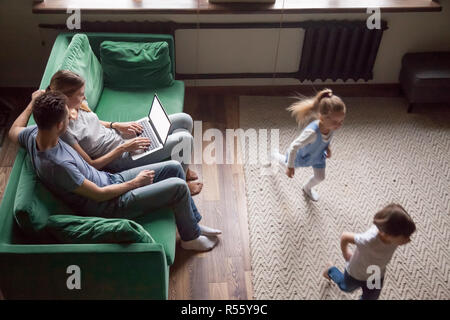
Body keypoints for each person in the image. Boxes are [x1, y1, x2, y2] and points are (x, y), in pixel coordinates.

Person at [8, 90, 221, 251]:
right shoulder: (58, 165)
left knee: (175, 167)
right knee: (178, 187)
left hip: (110, 178)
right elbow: (99, 195)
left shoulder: (34, 134)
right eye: (67, 117)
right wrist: (135, 182)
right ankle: (189, 239)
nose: (71, 117)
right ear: (58, 125)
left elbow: (13, 131)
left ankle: (193, 226)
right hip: (110, 204)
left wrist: (32, 103)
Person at [48, 70, 203, 195]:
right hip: (119, 157)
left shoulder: (77, 105)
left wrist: (117, 125)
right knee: (184, 139)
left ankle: (185, 168)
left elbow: (93, 123)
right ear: (65, 98)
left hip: (121, 137)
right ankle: (183, 186)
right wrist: (125, 148)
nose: (85, 97)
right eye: (80, 95)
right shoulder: (65, 130)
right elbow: (91, 165)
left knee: (185, 119)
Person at [323, 203, 416, 300]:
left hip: (376, 273)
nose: (408, 240)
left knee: (371, 298)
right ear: (387, 234)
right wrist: (345, 252)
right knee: (346, 287)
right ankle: (330, 270)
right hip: (355, 273)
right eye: (405, 237)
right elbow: (345, 236)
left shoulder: (393, 236)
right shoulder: (368, 240)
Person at [272, 89, 346, 201]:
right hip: (301, 157)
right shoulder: (312, 133)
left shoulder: (331, 127)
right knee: (286, 162)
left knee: (320, 177)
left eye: (341, 121)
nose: (339, 125)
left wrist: (328, 148)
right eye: (336, 122)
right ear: (322, 118)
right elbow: (294, 147)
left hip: (317, 157)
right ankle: (274, 155)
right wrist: (290, 166)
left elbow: (327, 139)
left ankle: (307, 188)